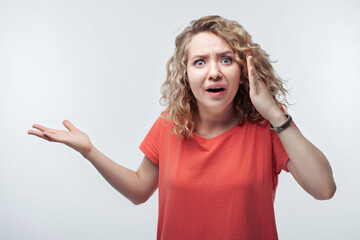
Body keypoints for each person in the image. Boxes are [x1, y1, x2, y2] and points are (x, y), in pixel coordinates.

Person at [28, 15, 336, 240]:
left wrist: (273, 113)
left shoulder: (268, 126)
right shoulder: (169, 124)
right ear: (185, 74)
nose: (213, 71)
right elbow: (139, 190)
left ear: (243, 70)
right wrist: (90, 152)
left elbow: (324, 189)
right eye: (200, 62)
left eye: (226, 59)